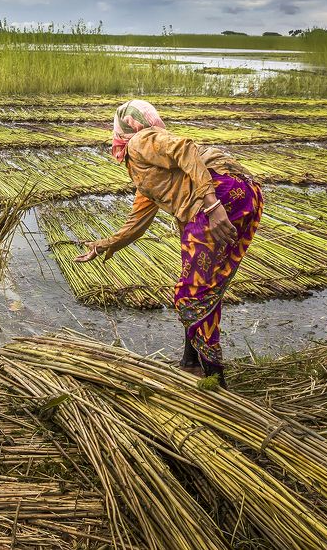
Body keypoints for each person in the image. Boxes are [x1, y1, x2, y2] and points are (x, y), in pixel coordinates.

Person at [74, 99, 263, 387]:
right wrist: (103, 245)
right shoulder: (146, 173)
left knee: (190, 295)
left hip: (220, 195)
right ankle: (190, 363)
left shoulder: (141, 140)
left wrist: (211, 205)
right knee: (204, 287)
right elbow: (136, 223)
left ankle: (216, 381)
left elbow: (185, 148)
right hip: (244, 192)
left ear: (125, 127)